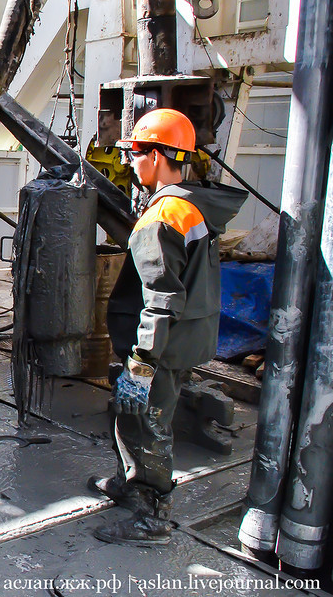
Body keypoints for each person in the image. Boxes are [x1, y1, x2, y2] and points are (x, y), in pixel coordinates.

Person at [90, 108, 246, 546]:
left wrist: (141, 361)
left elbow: (161, 299)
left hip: (161, 347)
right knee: (130, 417)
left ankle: (152, 513)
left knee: (149, 422)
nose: (130, 162)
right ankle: (131, 483)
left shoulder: (164, 216)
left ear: (158, 156)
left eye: (135, 153)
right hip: (183, 337)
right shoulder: (190, 205)